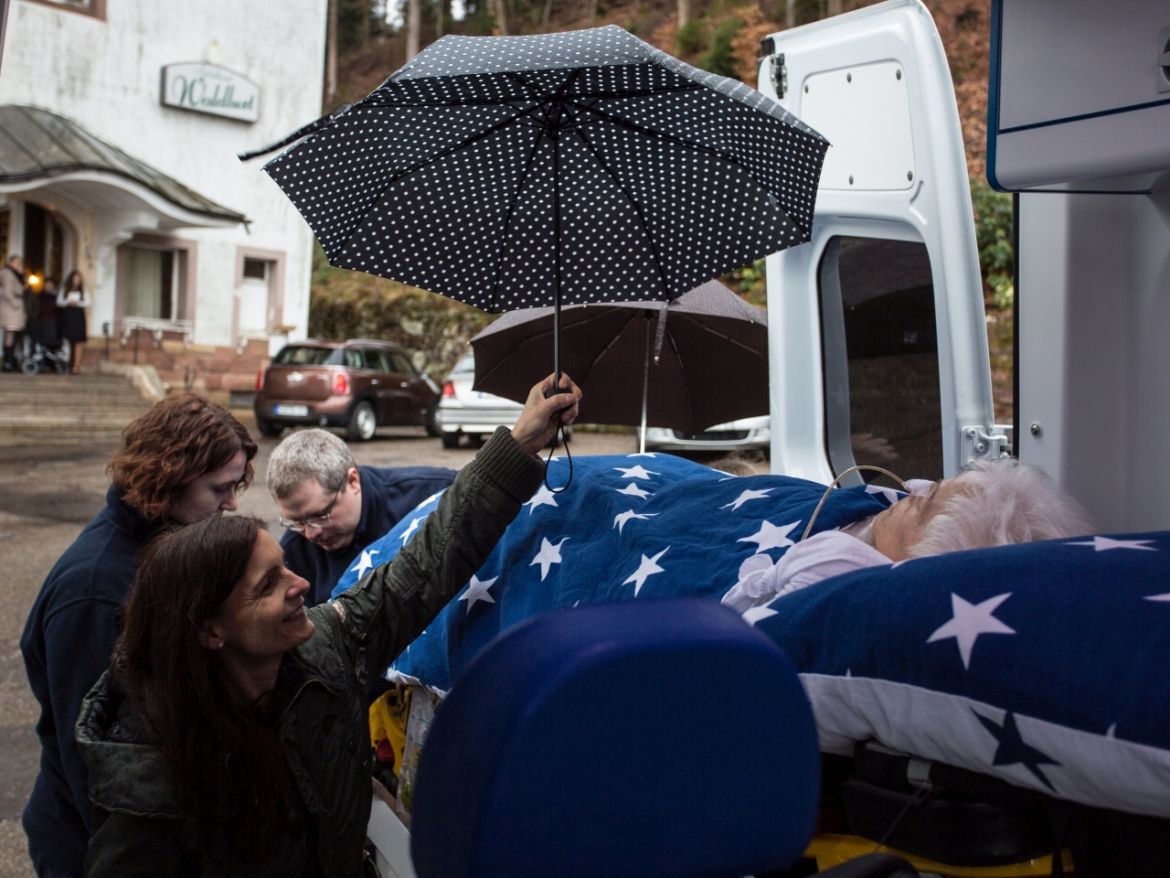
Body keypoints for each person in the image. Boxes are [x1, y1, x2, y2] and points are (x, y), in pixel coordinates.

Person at [74, 373, 581, 877]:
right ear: (210, 630)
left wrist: (520, 441)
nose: (300, 584)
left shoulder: (330, 646)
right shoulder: (150, 781)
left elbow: (426, 565)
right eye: (268, 584)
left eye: (284, 565)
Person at [20, 391, 258, 878]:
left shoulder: (163, 549)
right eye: (219, 489)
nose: (232, 503)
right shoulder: (95, 592)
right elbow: (89, 757)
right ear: (169, 477)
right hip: (91, 847)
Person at [722, 458, 1094, 612]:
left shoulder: (834, 568)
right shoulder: (876, 516)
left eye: (925, 500)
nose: (912, 486)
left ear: (921, 553)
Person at [267, 428, 457, 605]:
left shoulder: (438, 494)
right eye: (296, 522)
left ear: (353, 481)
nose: (310, 534)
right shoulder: (293, 554)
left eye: (320, 515)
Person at [57, 269, 91, 374]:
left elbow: (89, 302)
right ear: (71, 279)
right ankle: (66, 364)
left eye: (78, 278)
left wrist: (78, 303)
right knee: (67, 341)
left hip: (78, 317)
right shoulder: (65, 289)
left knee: (78, 342)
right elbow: (59, 302)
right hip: (68, 316)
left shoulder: (83, 290)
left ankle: (76, 366)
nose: (76, 280)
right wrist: (68, 301)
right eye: (74, 278)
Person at [1, 253, 26, 372]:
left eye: (19, 262)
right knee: (9, 335)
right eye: (16, 262)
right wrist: (16, 304)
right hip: (11, 308)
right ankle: (8, 362)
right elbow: (7, 292)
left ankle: (10, 361)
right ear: (10, 262)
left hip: (15, 309)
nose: (18, 264)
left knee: (12, 335)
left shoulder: (16, 275)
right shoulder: (7, 273)